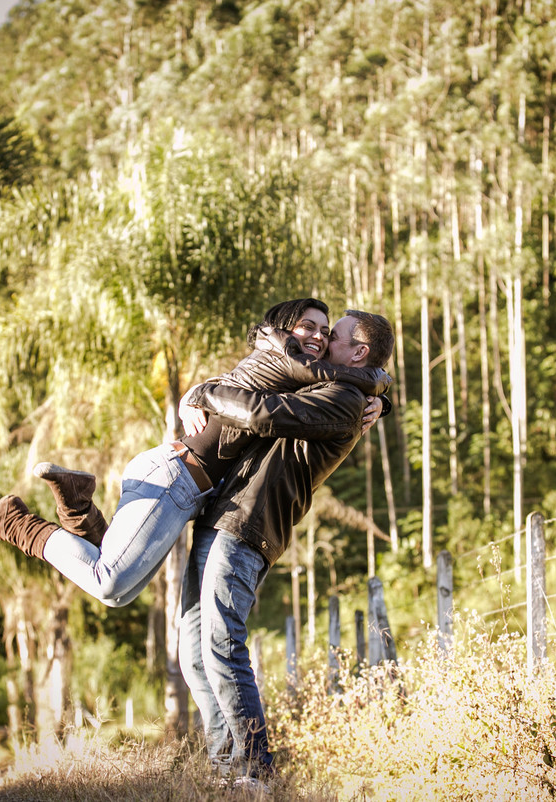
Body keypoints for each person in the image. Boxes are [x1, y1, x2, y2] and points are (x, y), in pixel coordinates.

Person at [0, 299, 390, 610]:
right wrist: (377, 385)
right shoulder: (282, 355)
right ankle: (12, 521)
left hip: (185, 483)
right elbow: (331, 379)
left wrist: (376, 397)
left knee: (120, 592)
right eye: (310, 327)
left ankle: (77, 503)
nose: (318, 336)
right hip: (177, 475)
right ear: (284, 328)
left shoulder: (297, 368)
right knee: (108, 584)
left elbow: (327, 394)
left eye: (325, 331)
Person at [176, 309, 395, 785]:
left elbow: (261, 412)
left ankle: (256, 772)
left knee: (222, 646)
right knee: (194, 654)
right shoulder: (339, 388)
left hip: (249, 523)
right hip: (222, 516)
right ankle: (222, 771)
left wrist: (202, 392)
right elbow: (274, 361)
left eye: (332, 336)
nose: (321, 343)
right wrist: (386, 392)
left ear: (356, 352)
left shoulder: (344, 399)